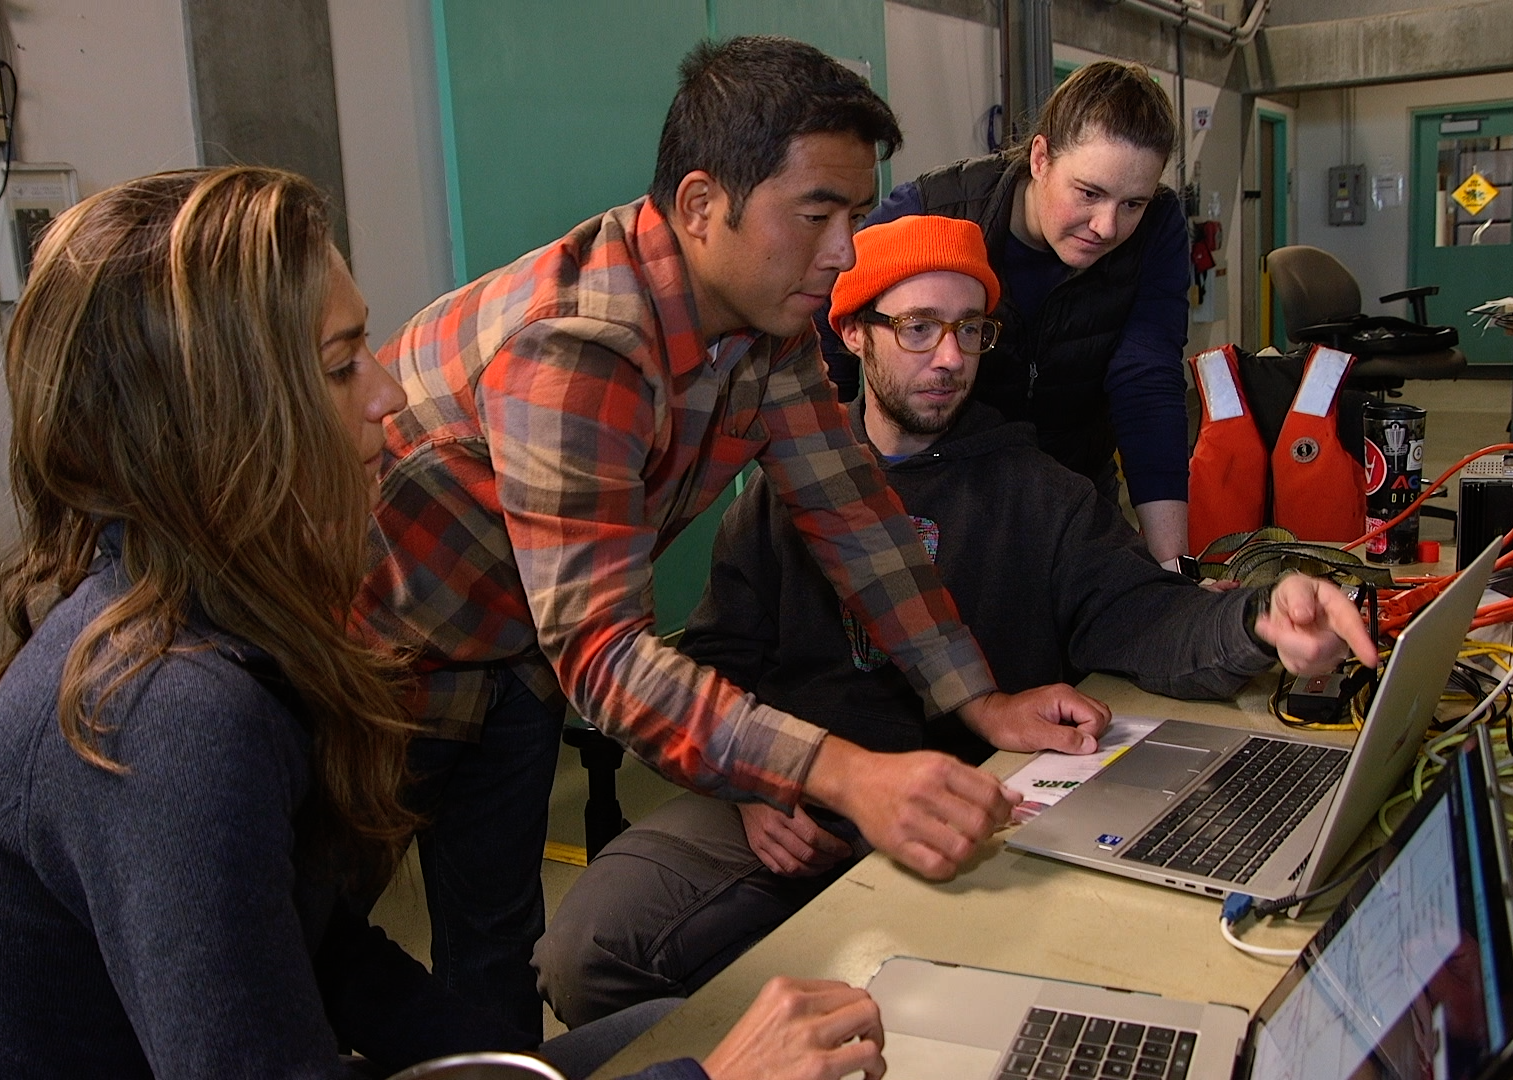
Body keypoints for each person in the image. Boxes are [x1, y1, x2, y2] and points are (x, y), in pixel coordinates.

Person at [0, 166, 894, 1080]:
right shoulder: (169, 714)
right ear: (223, 420)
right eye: (344, 366)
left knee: (667, 1025)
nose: (389, 393)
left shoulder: (214, 624)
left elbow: (322, 948)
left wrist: (518, 1069)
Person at [360, 36, 1105, 1038]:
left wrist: (981, 701)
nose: (844, 252)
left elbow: (854, 515)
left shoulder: (769, 330)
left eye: (855, 216)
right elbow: (603, 654)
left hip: (510, 651)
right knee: (305, 946)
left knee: (491, 958)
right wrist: (846, 773)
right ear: (703, 204)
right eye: (817, 214)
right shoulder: (579, 344)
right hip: (370, 668)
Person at [535, 214, 1378, 1027]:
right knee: (587, 952)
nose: (950, 358)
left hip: (963, 806)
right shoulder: (781, 491)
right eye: (919, 328)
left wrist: (1261, 618)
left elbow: (1144, 616)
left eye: (971, 330)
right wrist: (753, 785)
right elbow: (718, 657)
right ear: (853, 333)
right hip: (790, 797)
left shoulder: (1039, 493)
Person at [820, 60, 1194, 565]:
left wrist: (1173, 566)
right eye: (1089, 193)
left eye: (1133, 204)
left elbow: (1146, 381)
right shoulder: (936, 210)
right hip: (947, 498)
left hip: (1077, 497)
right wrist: (832, 497)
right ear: (1040, 158)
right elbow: (829, 338)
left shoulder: (1157, 228)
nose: (1107, 226)